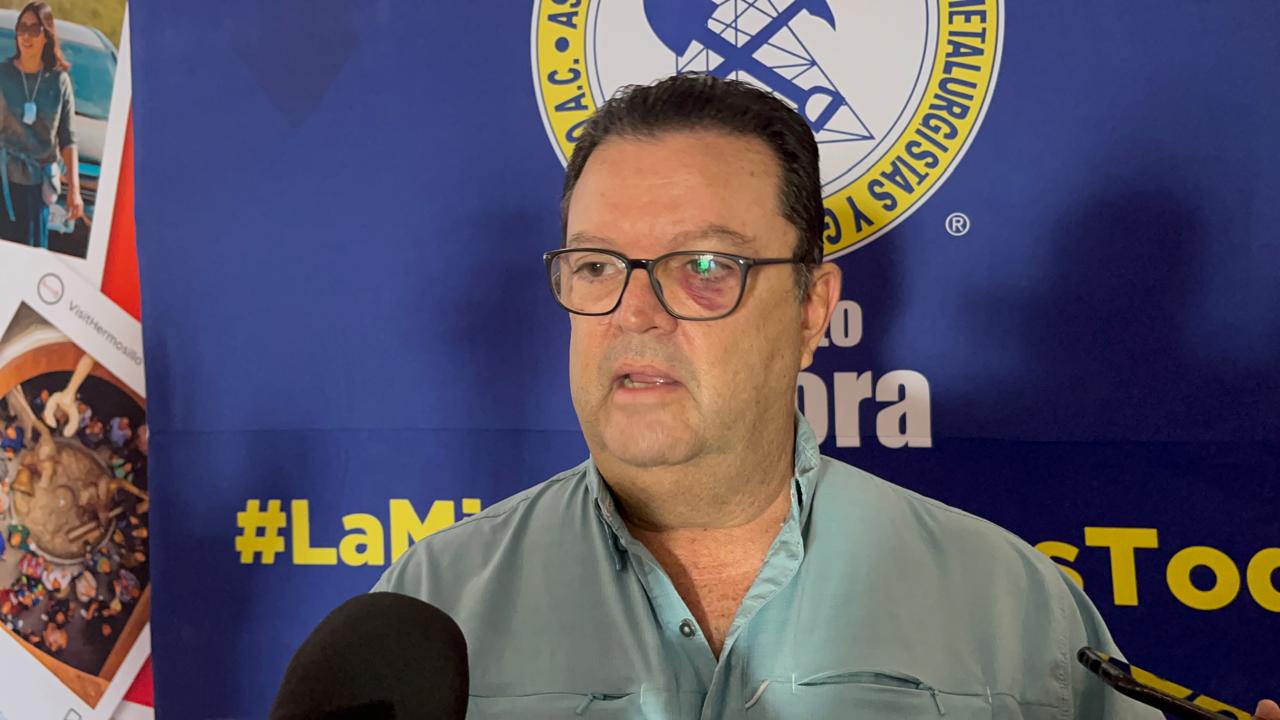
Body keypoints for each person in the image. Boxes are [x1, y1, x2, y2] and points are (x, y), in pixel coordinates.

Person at [375, 75, 1269, 718]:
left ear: (813, 309)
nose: (634, 313)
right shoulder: (434, 606)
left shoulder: (1010, 603)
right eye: (597, 265)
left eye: (704, 266)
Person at [0, 2, 82, 249]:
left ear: (46, 35)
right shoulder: (3, 74)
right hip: (2, 181)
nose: (26, 36)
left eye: (34, 29)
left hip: (36, 190)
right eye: (22, 28)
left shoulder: (59, 82)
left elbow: (68, 139)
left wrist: (74, 190)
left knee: (29, 262)